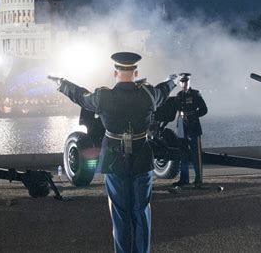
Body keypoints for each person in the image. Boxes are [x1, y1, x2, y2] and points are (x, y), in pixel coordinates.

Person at [50, 52, 177, 253]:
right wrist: (173, 81)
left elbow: (80, 96)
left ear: (114, 72)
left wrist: (62, 83)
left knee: (120, 213)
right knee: (141, 212)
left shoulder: (103, 96)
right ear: (136, 72)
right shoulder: (148, 94)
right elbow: (164, 90)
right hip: (141, 158)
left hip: (114, 160)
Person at [173, 73, 208, 187]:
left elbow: (204, 110)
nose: (184, 84)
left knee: (195, 154)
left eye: (186, 81)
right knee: (183, 154)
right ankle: (184, 179)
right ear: (179, 83)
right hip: (182, 126)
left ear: (189, 82)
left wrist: (194, 114)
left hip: (193, 126)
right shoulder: (178, 95)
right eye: (182, 82)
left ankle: (198, 179)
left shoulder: (195, 94)